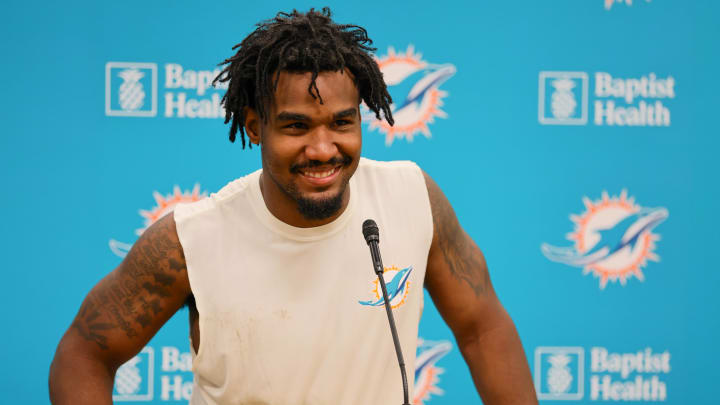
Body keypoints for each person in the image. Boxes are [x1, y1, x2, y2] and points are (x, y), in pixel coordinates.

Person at [49, 8, 537, 405]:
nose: (323, 148)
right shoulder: (192, 239)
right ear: (257, 127)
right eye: (297, 127)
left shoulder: (412, 197)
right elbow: (85, 353)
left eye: (342, 123)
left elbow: (481, 327)